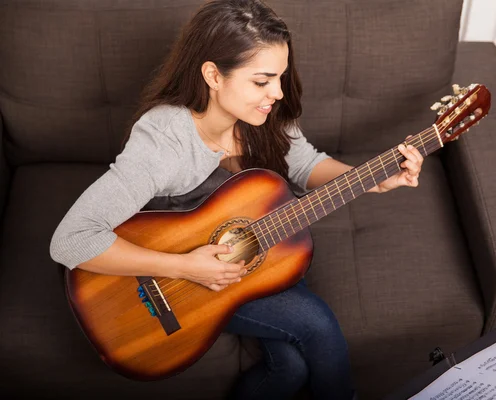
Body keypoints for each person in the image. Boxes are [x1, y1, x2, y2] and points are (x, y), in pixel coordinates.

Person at [49, 0, 424, 399]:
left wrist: (373, 180)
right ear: (213, 75)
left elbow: (305, 164)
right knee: (316, 324)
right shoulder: (165, 140)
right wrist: (185, 266)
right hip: (176, 283)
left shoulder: (265, 115)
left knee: (291, 369)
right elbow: (71, 240)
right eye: (262, 81)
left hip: (253, 256)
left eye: (280, 77)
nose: (277, 93)